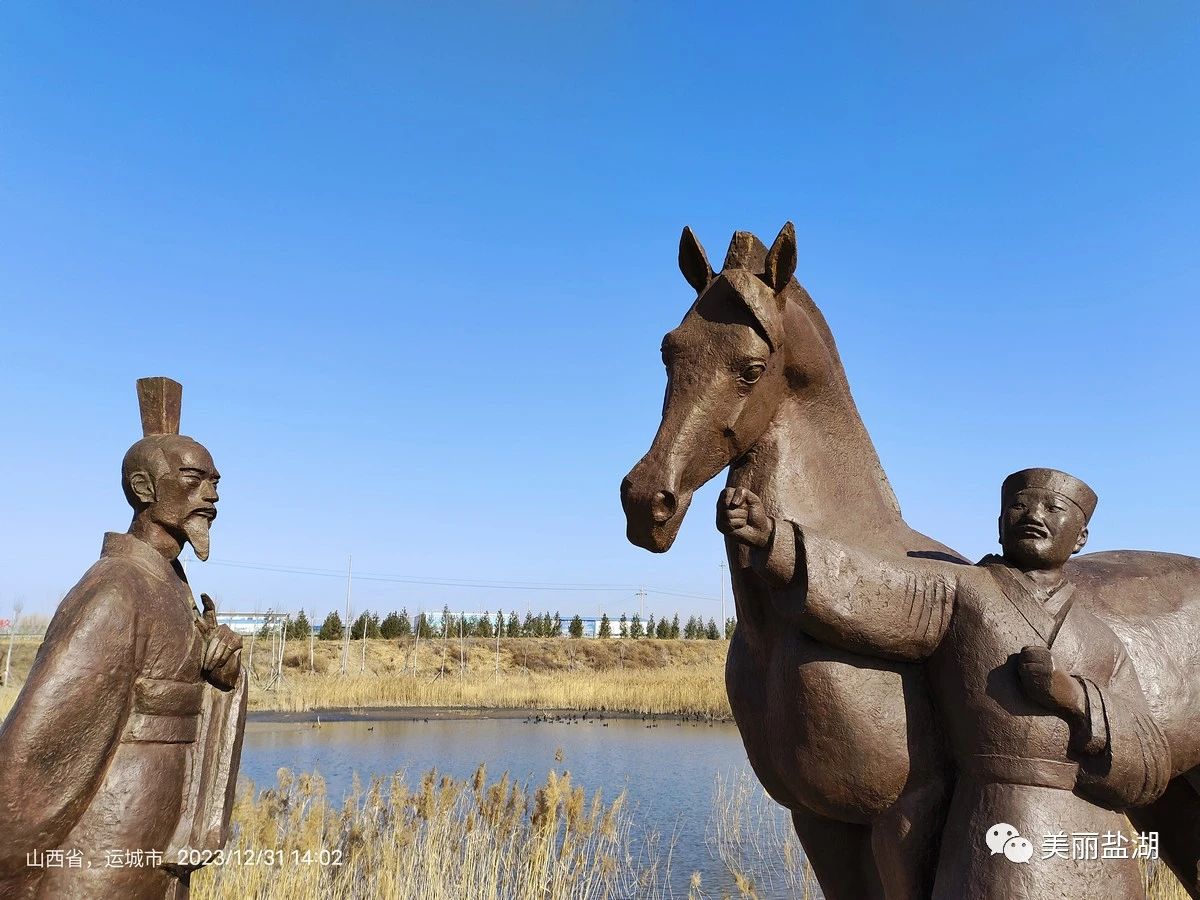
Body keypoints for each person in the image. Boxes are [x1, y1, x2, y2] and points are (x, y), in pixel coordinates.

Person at [718, 468, 1169, 900]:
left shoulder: (1101, 642)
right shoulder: (961, 591)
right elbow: (870, 587)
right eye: (1019, 505)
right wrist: (773, 540)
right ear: (999, 525)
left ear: (1082, 537)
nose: (1034, 515)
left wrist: (1076, 698)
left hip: (1093, 843)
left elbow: (1150, 765)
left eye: (1053, 508)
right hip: (995, 824)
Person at [0, 378, 246, 900]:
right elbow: (38, 748)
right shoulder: (115, 590)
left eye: (215, 482)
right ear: (143, 488)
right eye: (194, 479)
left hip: (157, 840)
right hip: (103, 850)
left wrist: (219, 672)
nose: (212, 494)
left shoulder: (172, 587)